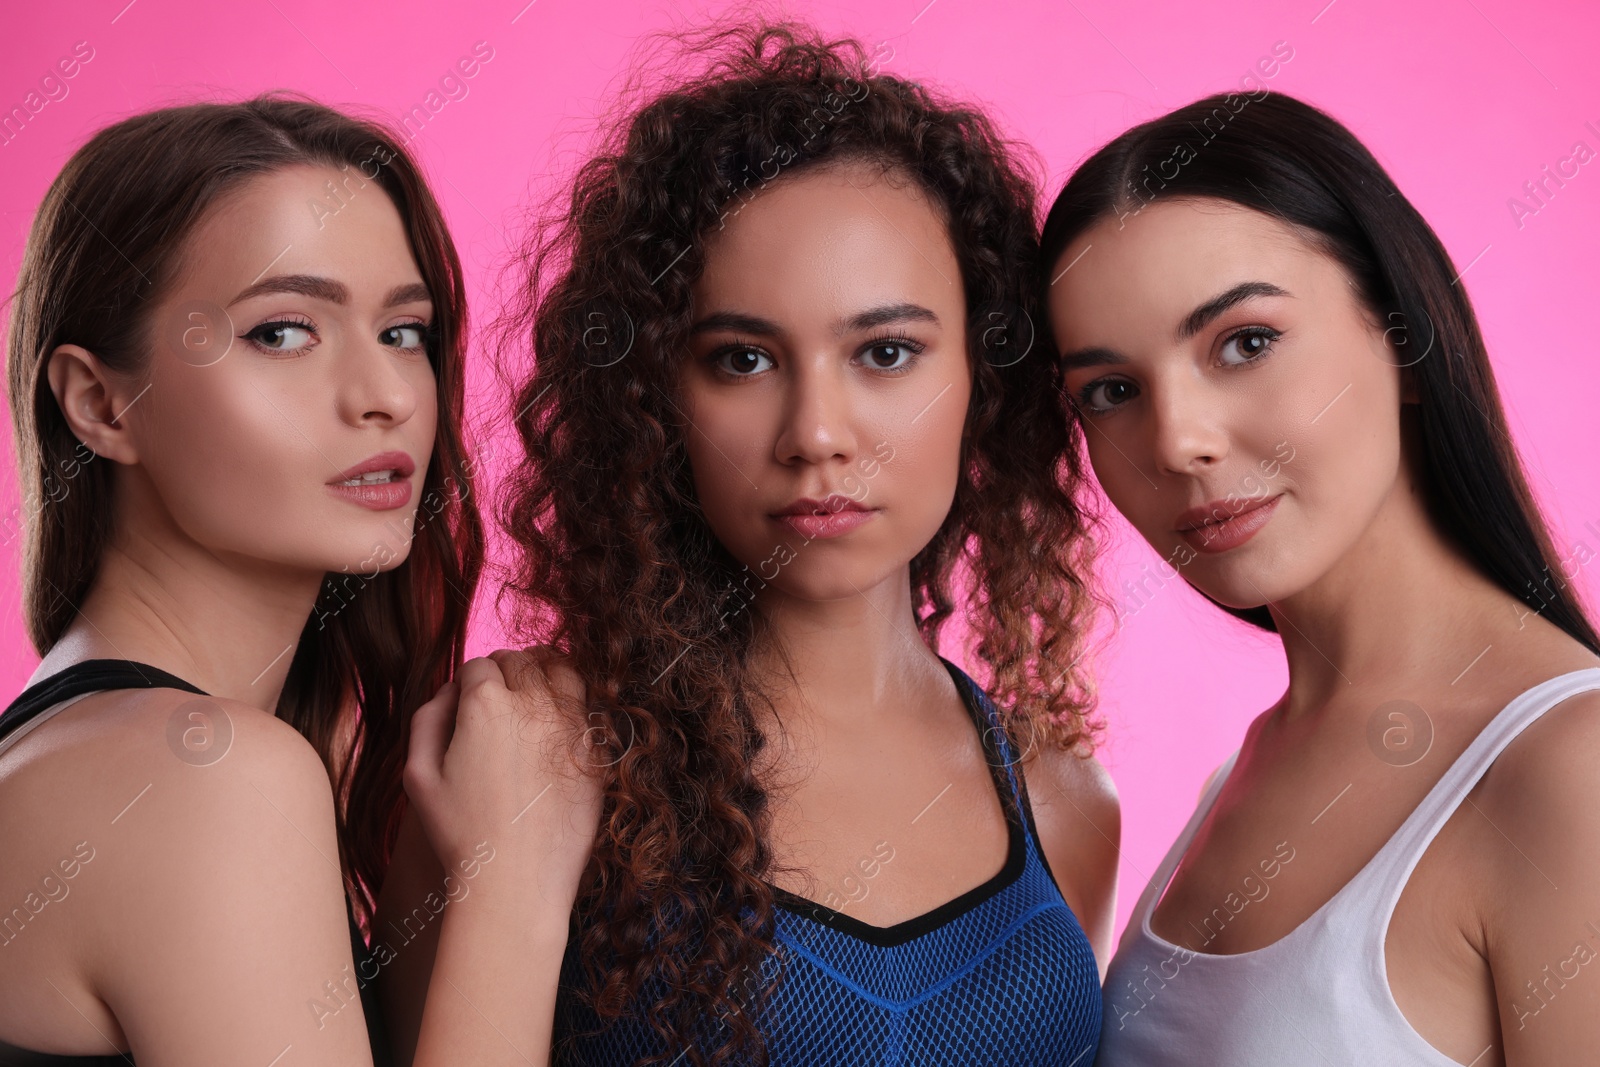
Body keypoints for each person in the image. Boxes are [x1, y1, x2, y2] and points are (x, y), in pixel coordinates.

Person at [378, 20, 1119, 1067]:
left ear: (981, 377)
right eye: (740, 359)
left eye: (887, 351)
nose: (816, 432)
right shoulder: (523, 752)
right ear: (654, 395)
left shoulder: (1061, 801)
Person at [0, 93, 579, 1067]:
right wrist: (515, 875)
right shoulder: (205, 779)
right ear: (101, 404)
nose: (386, 396)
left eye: (404, 332)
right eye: (282, 332)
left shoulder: (93, 746)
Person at [1039, 89, 1600, 1065]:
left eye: (1245, 342)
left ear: (1405, 336)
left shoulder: (1569, 770)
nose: (1178, 440)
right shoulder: (1242, 772)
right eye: (1112, 391)